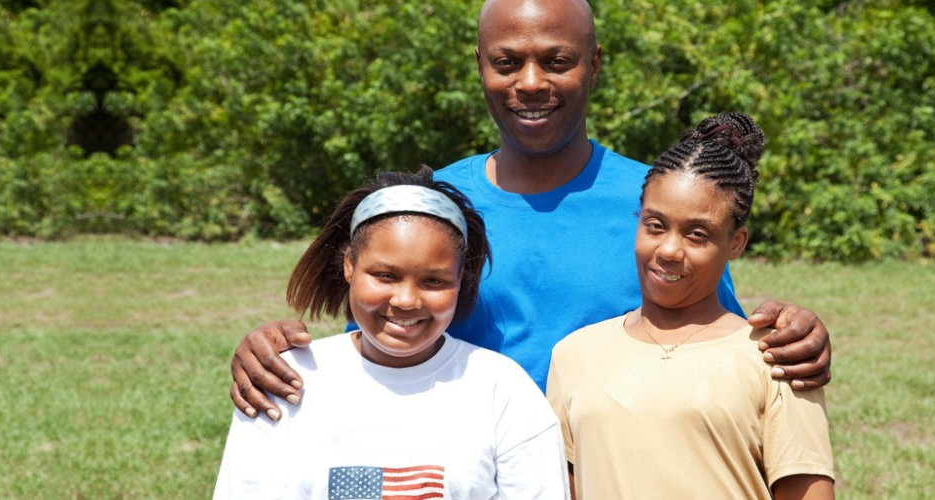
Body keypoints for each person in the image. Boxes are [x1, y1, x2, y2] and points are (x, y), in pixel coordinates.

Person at [228, 0, 833, 422]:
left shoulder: (658, 207)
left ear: (594, 64)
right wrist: (278, 352)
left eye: (558, 60)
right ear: (481, 66)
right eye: (507, 61)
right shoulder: (432, 208)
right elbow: (374, 348)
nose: (531, 81)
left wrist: (793, 336)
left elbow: (721, 345)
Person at [214, 169, 569, 499]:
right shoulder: (287, 379)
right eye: (385, 276)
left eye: (434, 281)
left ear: (461, 280)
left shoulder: (503, 389)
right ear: (349, 264)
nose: (406, 300)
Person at [547, 112, 834, 499]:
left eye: (697, 234)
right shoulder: (573, 355)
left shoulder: (776, 356)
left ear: (736, 242)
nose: (668, 250)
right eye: (655, 225)